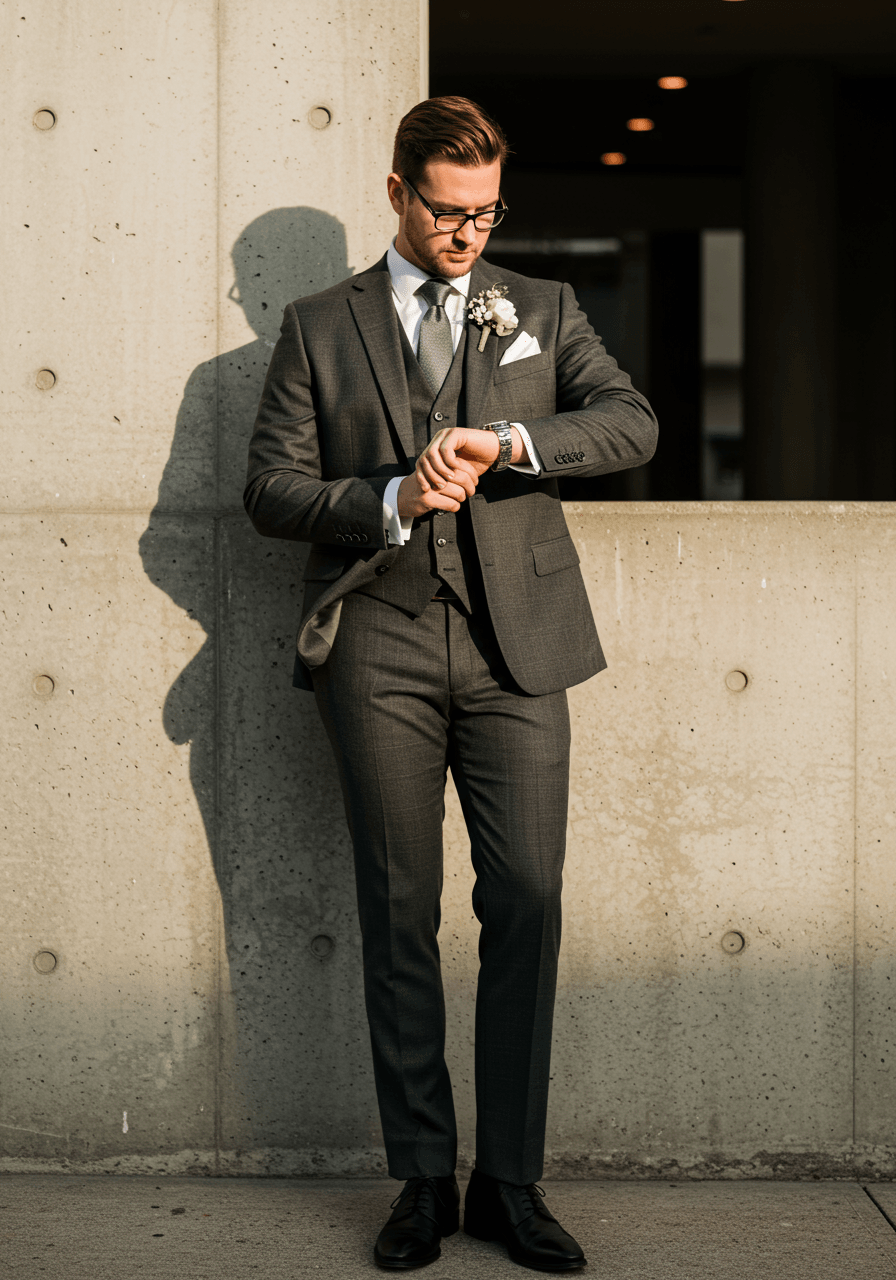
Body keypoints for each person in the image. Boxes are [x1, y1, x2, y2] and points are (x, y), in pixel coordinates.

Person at [244, 95, 657, 1272]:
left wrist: (510, 445)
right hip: (375, 642)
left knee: (525, 898)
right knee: (398, 910)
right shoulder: (317, 326)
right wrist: (385, 495)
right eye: (445, 210)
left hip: (516, 645)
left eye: (485, 212)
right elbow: (270, 488)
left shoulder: (540, 308)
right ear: (395, 194)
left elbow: (629, 422)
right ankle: (422, 1177)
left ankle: (509, 1182)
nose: (468, 233)